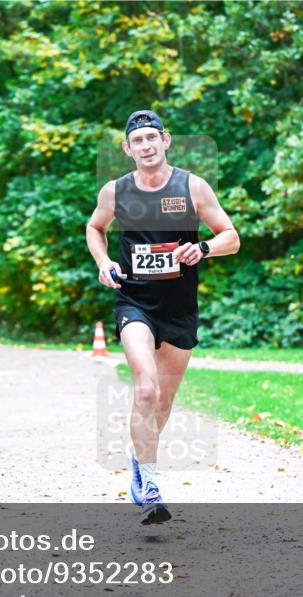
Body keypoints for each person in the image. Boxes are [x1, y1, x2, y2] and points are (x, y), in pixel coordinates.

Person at [85, 110, 240, 524]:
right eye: (138, 141)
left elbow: (231, 236)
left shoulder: (191, 186)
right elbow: (95, 228)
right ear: (127, 148)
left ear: (166, 140)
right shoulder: (115, 192)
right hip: (134, 302)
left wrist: (203, 249)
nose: (147, 146)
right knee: (147, 388)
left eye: (153, 138)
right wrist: (103, 262)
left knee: (165, 400)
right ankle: (150, 485)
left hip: (179, 308)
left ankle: (140, 458)